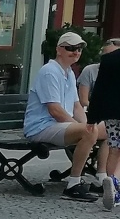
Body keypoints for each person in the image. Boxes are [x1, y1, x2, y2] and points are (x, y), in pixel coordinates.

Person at [25, 31, 104, 202]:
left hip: (58, 125)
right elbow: (55, 110)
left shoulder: (68, 72)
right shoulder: (50, 72)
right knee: (89, 131)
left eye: (79, 48)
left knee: (109, 128)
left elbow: (76, 106)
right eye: (71, 48)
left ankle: (103, 179)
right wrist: (83, 128)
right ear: (59, 49)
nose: (76, 52)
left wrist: (88, 125)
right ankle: (73, 185)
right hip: (41, 127)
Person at [84, 38, 120, 210]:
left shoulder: (109, 60)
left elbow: (99, 89)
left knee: (114, 148)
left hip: (113, 113)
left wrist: (92, 118)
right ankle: (115, 184)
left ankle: (111, 179)